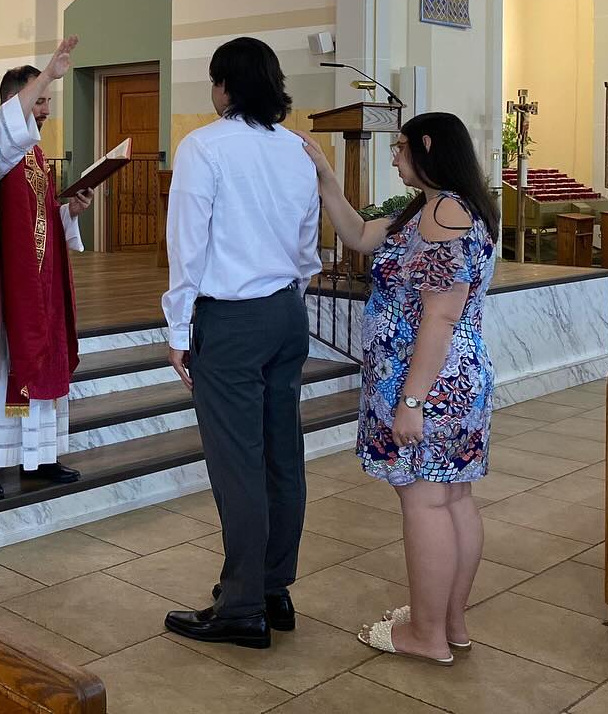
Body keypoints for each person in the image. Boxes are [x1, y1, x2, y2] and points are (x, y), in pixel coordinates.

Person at [299, 112, 498, 666]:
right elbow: (362, 236)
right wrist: (328, 182)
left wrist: (411, 401)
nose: (393, 157)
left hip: (429, 384)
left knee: (427, 503)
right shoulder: (439, 206)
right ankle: (449, 623)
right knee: (451, 497)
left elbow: (438, 318)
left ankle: (426, 635)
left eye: (401, 147)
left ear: (428, 145)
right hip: (452, 381)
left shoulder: (444, 214)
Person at [162, 37, 321, 650]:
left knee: (237, 463)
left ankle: (242, 605)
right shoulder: (296, 151)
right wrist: (288, 295)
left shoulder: (204, 146)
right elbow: (308, 246)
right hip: (286, 314)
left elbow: (188, 247)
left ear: (225, 86)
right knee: (282, 453)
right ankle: (274, 587)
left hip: (230, 320)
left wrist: (179, 330)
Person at [0, 37, 95, 500]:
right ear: (12, 104)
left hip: (36, 285)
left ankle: (38, 458)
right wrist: (49, 72)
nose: (46, 110)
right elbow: (2, 139)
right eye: (40, 100)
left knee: (39, 364)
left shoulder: (33, 156)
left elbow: (35, 221)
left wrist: (68, 212)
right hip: (1, 287)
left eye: (49, 102)